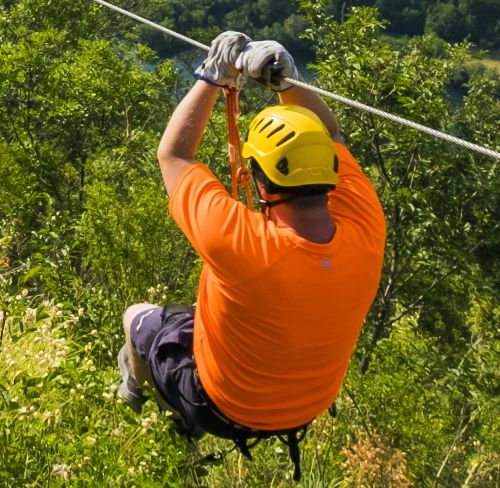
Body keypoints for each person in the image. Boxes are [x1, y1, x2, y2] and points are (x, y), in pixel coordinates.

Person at [116, 31, 387, 478]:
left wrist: (211, 76)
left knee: (137, 317)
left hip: (219, 404)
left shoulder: (242, 243)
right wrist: (288, 84)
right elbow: (333, 133)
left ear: (258, 182)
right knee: (193, 315)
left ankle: (141, 394)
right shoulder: (367, 227)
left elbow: (174, 154)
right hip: (306, 407)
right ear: (331, 169)